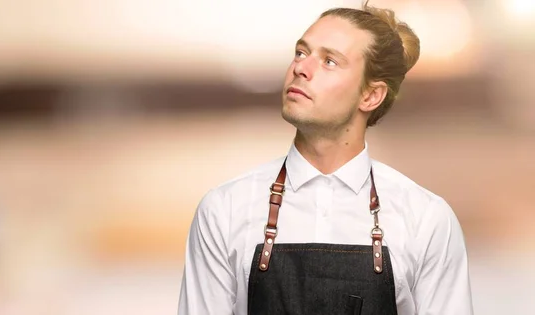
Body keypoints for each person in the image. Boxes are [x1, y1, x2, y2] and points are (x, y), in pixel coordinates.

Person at [178, 2, 473, 315]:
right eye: (301, 52)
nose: (301, 68)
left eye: (330, 61)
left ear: (371, 95)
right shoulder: (224, 210)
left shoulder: (424, 219)